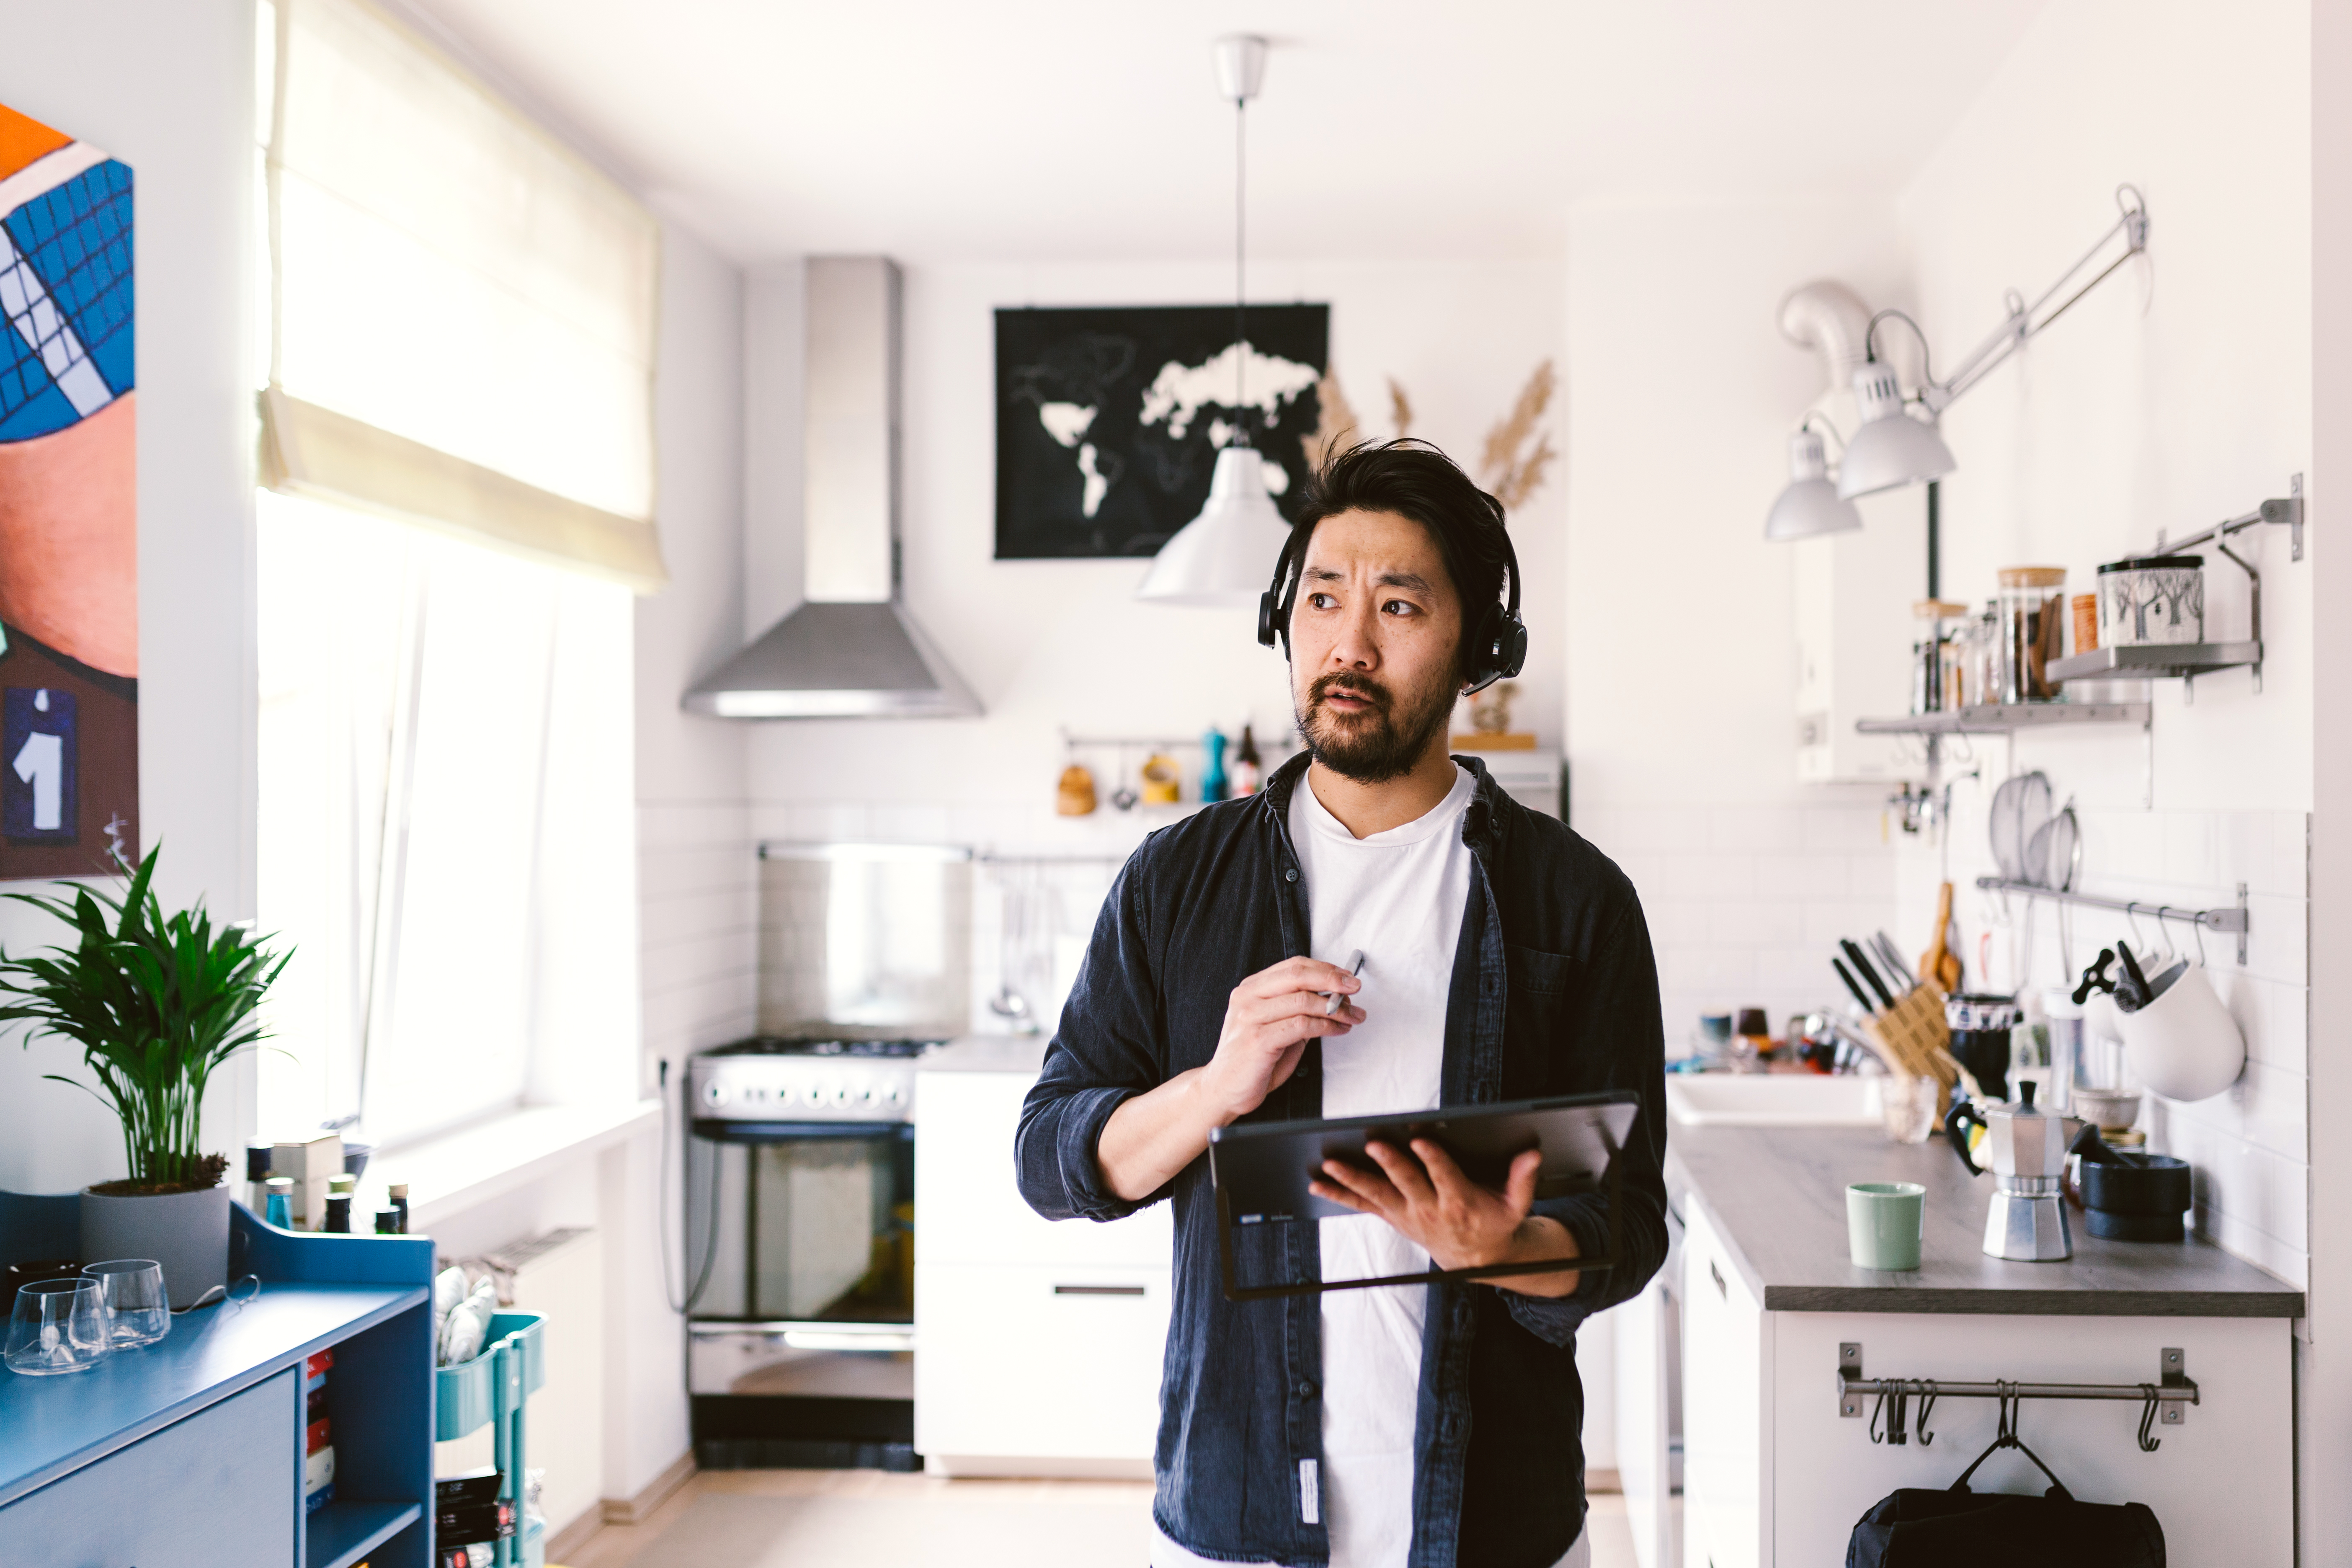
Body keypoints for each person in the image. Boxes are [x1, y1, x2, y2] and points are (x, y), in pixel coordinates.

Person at [1017, 439, 1668, 1568]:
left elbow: (1632, 1222)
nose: (1350, 644)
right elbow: (1049, 1159)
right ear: (1285, 620)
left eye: (1400, 606)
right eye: (1322, 599)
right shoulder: (1174, 885)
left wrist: (1508, 1245)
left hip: (1497, 1523)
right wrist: (1215, 1090)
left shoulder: (1578, 902)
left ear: (1476, 647)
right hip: (1239, 1516)